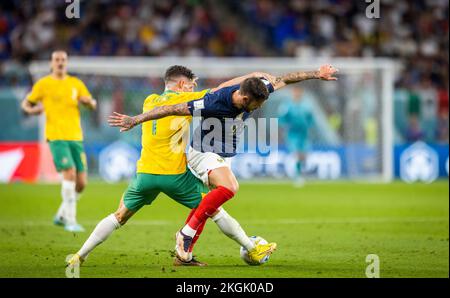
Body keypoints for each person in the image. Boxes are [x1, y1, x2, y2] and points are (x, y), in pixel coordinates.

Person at [109, 64, 338, 261]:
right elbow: (170, 109)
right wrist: (135, 119)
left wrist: (317, 73)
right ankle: (186, 234)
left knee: (209, 205)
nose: (258, 108)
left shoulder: (258, 90)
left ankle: (184, 253)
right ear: (246, 98)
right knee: (230, 187)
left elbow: (285, 79)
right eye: (257, 105)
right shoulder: (212, 102)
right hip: (202, 152)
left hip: (223, 154)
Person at [68, 66, 277, 268]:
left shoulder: (149, 100)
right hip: (174, 176)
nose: (194, 90)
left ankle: (80, 255)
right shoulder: (184, 99)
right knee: (212, 208)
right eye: (191, 86)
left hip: (145, 174)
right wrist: (252, 75)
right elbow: (221, 90)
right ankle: (251, 248)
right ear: (181, 84)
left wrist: (135, 120)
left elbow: (162, 110)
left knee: (119, 216)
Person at [21, 50, 97, 232]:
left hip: (76, 137)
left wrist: (90, 103)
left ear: (67, 62)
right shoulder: (44, 84)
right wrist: (32, 111)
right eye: (57, 60)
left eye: (63, 59)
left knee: (82, 183)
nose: (60, 62)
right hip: (56, 136)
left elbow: (91, 103)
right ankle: (70, 220)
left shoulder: (75, 83)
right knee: (69, 172)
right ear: (51, 63)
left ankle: (61, 214)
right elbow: (26, 103)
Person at [278, 86, 315, 186]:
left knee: (303, 155)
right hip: (292, 134)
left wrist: (309, 126)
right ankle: (298, 176)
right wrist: (285, 127)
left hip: (304, 133)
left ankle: (299, 173)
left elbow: (311, 118)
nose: (296, 94)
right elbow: (281, 118)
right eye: (295, 92)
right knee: (297, 154)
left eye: (298, 92)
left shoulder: (306, 105)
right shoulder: (287, 105)